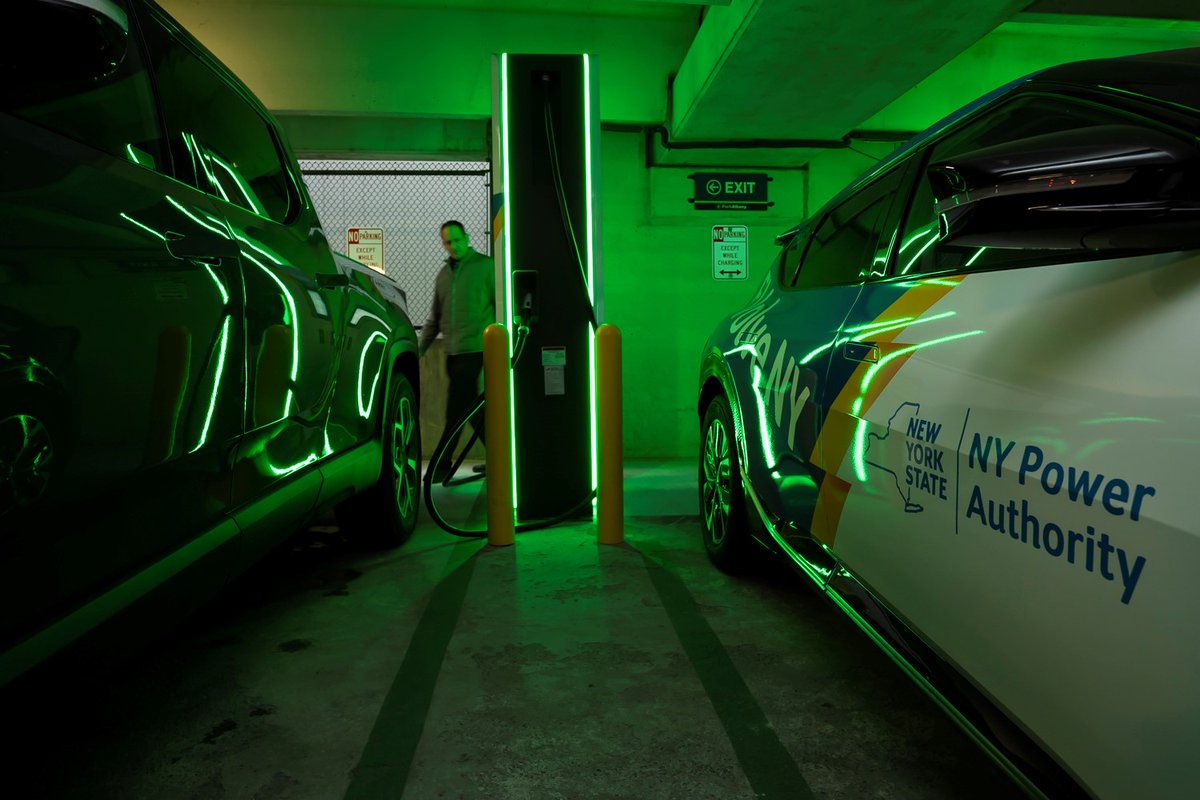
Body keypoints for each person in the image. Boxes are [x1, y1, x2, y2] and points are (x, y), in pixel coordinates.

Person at [419, 221, 496, 482]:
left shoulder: (486, 267)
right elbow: (434, 318)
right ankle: (502, 458)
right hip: (452, 353)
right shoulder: (443, 275)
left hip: (476, 350)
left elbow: (502, 307)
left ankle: (441, 465)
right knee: (471, 411)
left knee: (455, 409)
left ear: (467, 237)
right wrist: (419, 349)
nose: (453, 246)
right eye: (448, 242)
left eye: (457, 240)